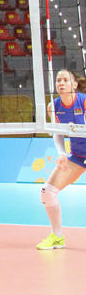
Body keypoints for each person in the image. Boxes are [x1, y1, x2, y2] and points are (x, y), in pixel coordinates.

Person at [37, 68, 86, 251]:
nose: (61, 83)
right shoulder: (54, 106)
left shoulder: (84, 101)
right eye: (59, 80)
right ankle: (57, 238)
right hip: (79, 156)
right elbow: (57, 135)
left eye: (65, 80)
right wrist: (61, 153)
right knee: (47, 192)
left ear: (74, 85)